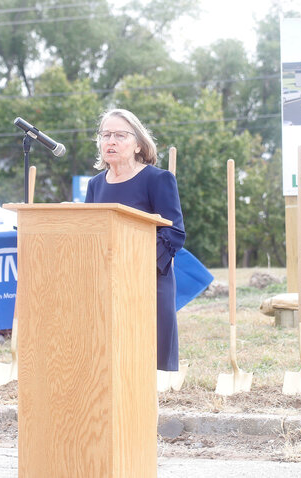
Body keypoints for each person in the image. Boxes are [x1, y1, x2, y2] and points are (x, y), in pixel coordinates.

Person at [84, 109, 186, 371]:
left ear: (139, 144)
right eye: (105, 135)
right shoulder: (95, 184)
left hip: (147, 282)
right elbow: (88, 232)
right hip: (106, 285)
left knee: (143, 363)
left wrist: (134, 265)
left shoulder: (158, 179)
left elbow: (173, 233)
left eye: (120, 135)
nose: (111, 141)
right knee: (111, 361)